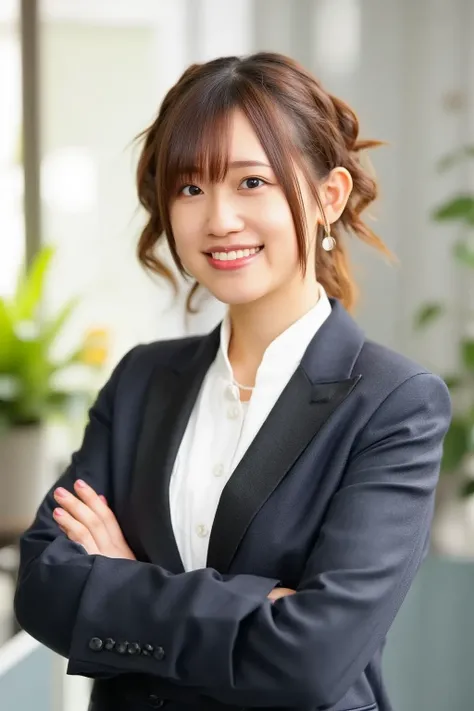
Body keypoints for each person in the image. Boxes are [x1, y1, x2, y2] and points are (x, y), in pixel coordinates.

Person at [14, 52, 451, 711]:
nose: (218, 218)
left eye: (251, 182)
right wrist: (256, 607)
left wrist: (125, 584)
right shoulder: (142, 379)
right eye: (191, 188)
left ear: (327, 196)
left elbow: (315, 658)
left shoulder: (393, 403)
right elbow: (44, 586)